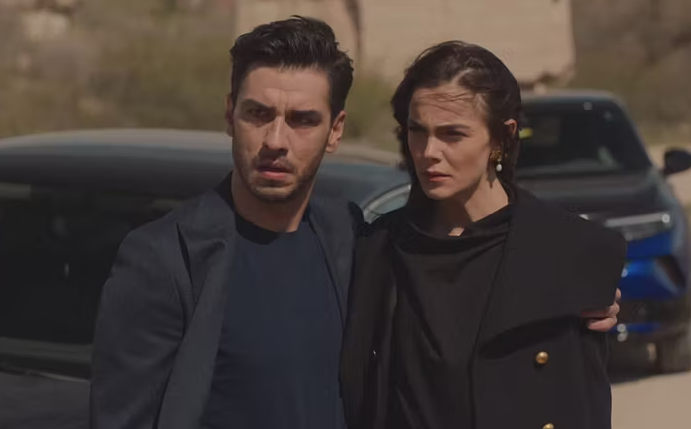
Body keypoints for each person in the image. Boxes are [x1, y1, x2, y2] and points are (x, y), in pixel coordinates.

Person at [90, 18, 621, 429]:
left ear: (336, 130)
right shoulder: (166, 258)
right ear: (230, 114)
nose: (276, 140)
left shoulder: (353, 239)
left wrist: (574, 291)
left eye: (302, 120)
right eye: (258, 114)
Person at [340, 41, 627, 429]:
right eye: (417, 131)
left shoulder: (567, 250)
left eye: (452, 134)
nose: (429, 152)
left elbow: (583, 405)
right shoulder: (377, 249)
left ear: (501, 138)